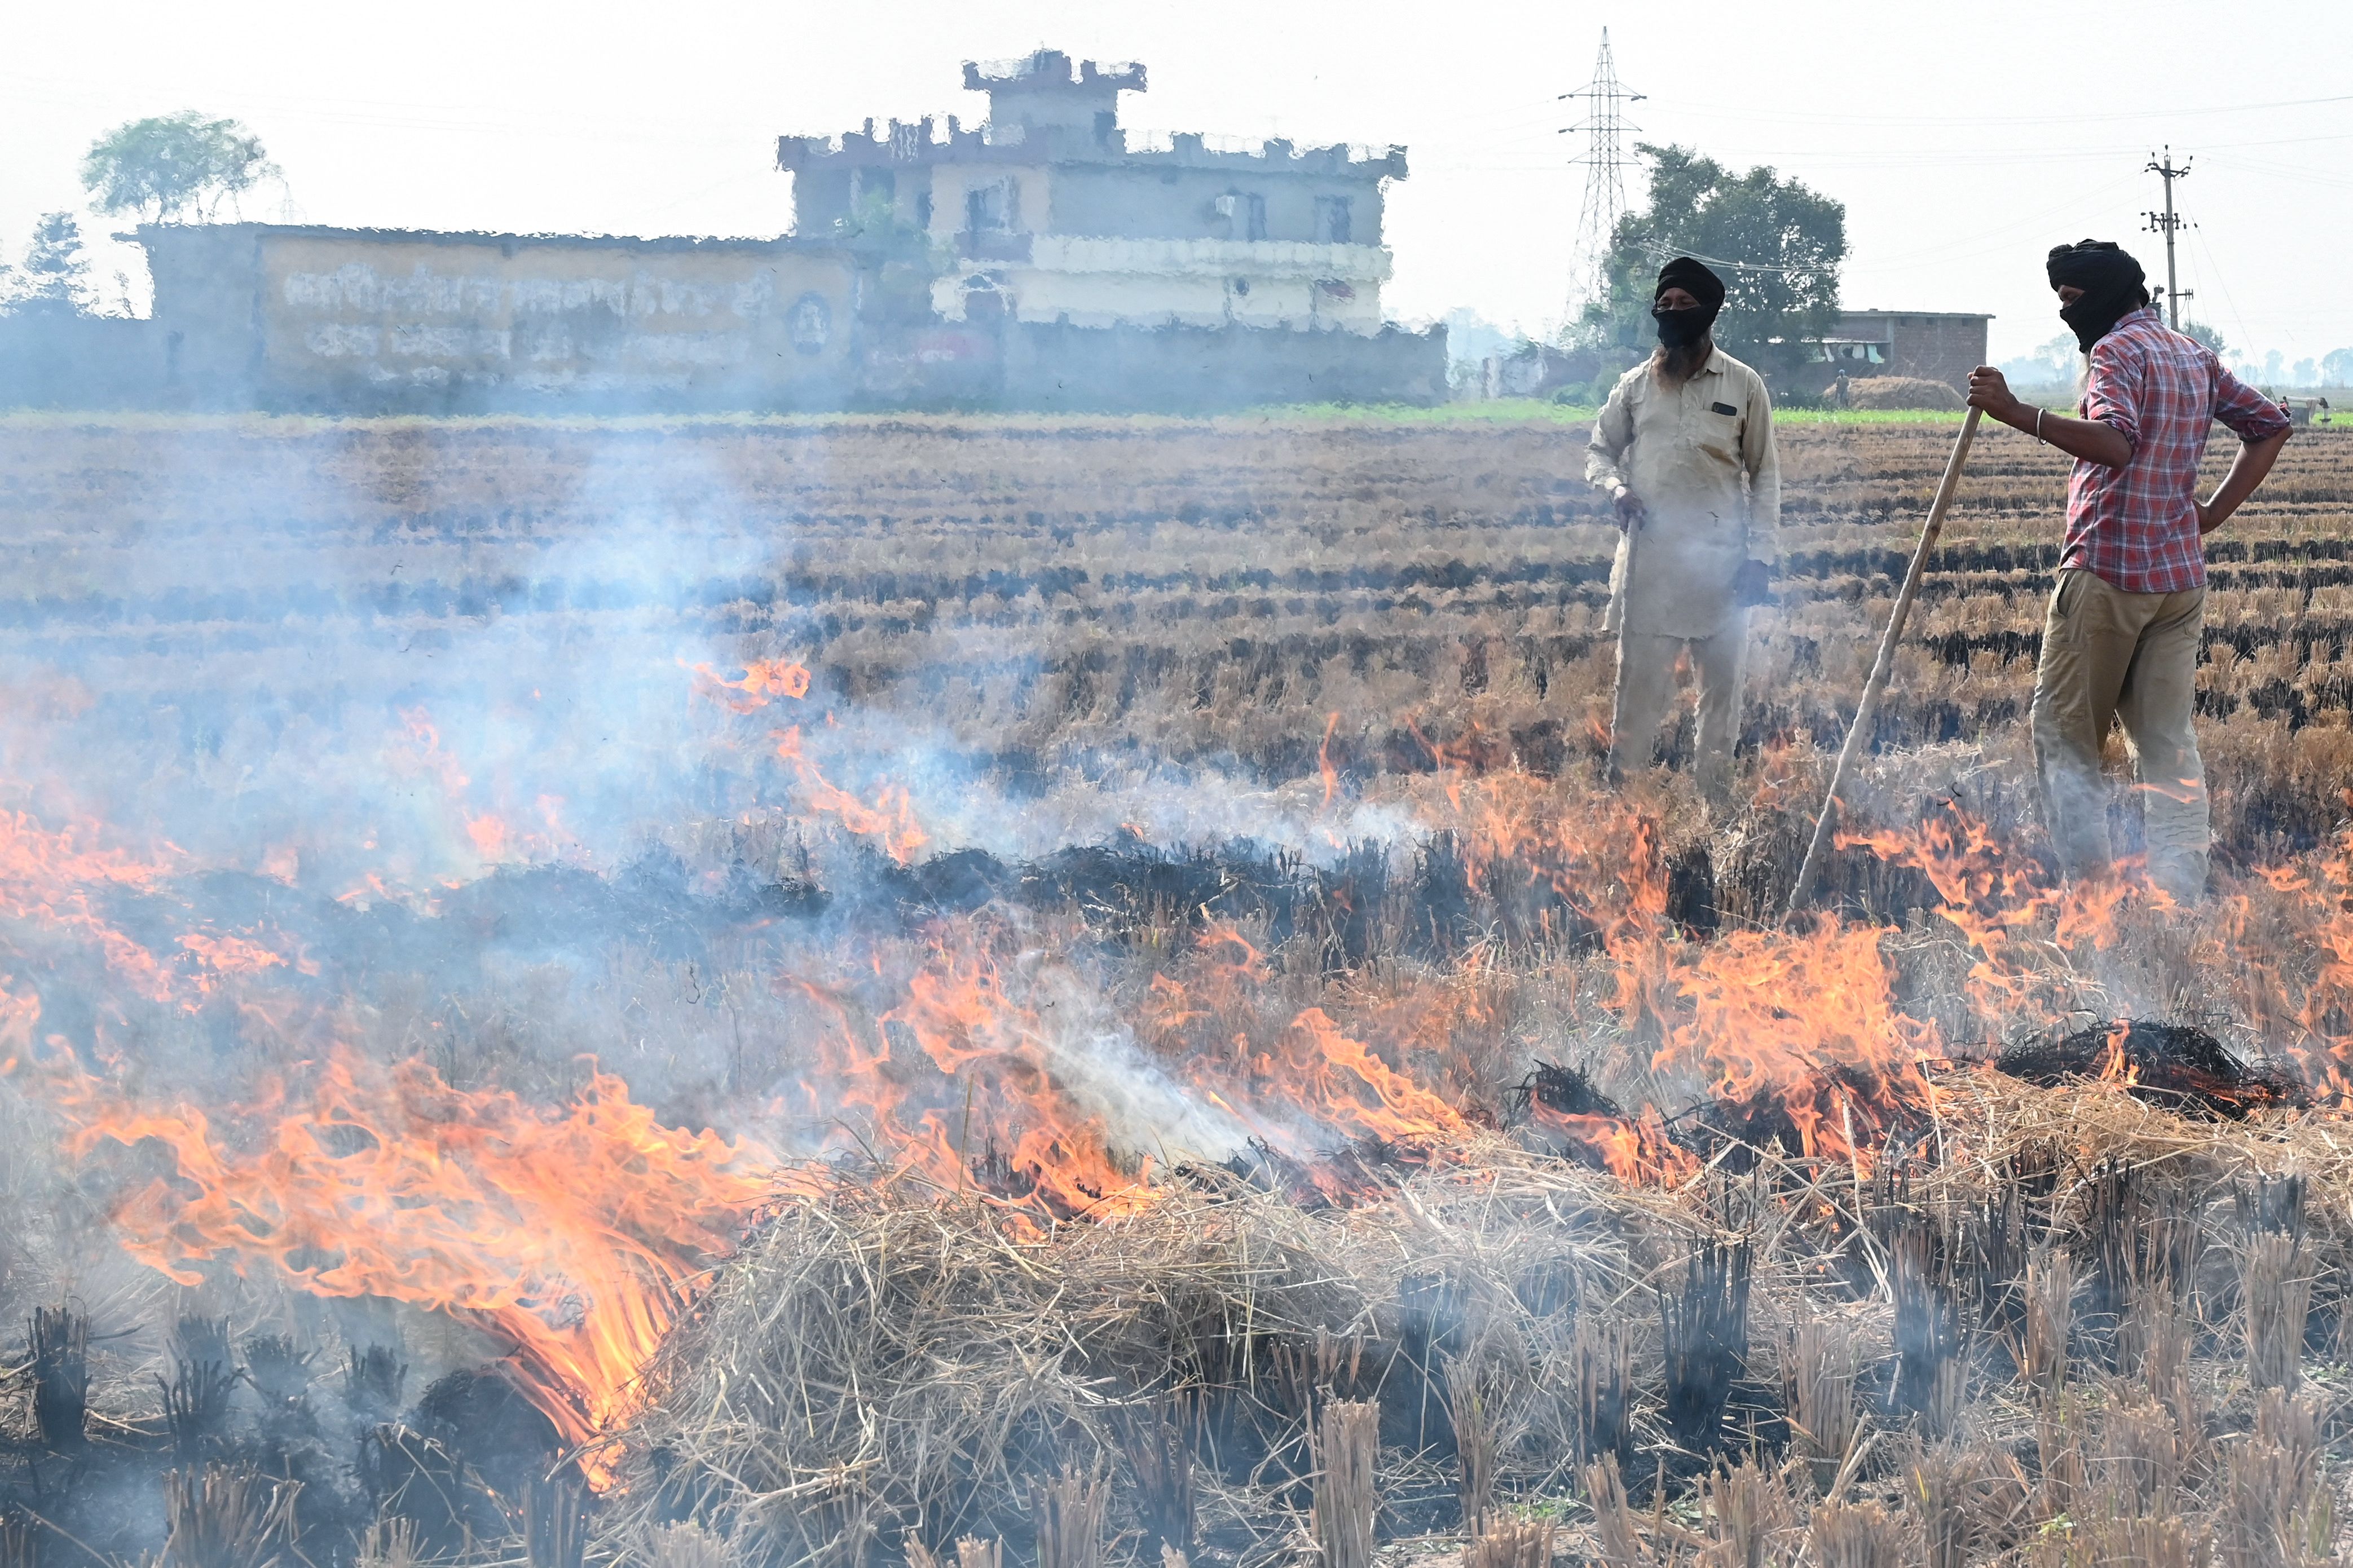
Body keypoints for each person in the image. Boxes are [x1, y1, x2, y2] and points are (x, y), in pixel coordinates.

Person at [1967, 239, 2290, 902]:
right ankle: (2178, 890)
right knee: (2166, 743)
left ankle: (2089, 897)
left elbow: (2116, 443)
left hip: (2107, 573)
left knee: (2064, 734)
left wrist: (2016, 413)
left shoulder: (2114, 351)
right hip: (2176, 579)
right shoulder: (2191, 354)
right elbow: (2268, 426)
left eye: (2070, 300)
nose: (2066, 314)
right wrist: (2211, 515)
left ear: (2106, 294)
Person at [1585, 257, 1781, 807]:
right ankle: (1622, 805)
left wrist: (1760, 558)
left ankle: (1714, 810)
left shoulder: (1743, 385)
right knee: (1637, 699)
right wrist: (1614, 489)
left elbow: (1764, 473)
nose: (1671, 312)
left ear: (1707, 313)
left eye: (1683, 304)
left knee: (1721, 701)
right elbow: (1598, 450)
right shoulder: (1633, 387)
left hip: (1723, 571)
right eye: (1663, 304)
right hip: (1651, 569)